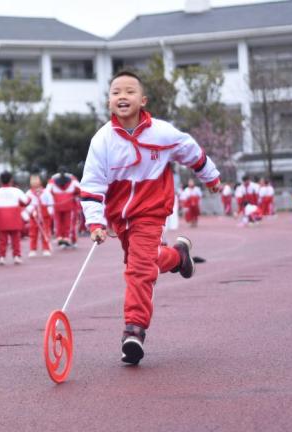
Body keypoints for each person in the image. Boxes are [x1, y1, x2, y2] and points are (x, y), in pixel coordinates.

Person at [80, 70, 221, 365]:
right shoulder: (102, 141)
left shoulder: (161, 132)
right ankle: (179, 256)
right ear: (109, 102)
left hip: (152, 211)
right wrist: (95, 223)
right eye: (116, 92)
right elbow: (92, 185)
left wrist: (210, 177)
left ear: (142, 100)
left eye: (129, 91)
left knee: (138, 271)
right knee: (142, 262)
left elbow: (190, 150)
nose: (122, 96)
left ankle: (134, 331)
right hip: (120, 218)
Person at [0, 171, 29, 265]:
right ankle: (16, 256)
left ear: (0, 180)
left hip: (1, 218)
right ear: (11, 180)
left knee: (2, 240)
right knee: (16, 239)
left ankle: (1, 257)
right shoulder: (17, 191)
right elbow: (26, 201)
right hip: (14, 217)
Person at [47, 168, 80, 247]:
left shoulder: (52, 181)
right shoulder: (73, 180)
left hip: (57, 205)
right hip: (70, 205)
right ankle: (69, 238)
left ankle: (60, 237)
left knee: (58, 223)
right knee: (70, 223)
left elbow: (47, 193)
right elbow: (79, 191)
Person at [26, 174, 54, 257]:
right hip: (34, 216)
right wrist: (31, 210)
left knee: (45, 232)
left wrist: (49, 212)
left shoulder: (46, 192)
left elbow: (50, 203)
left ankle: (46, 248)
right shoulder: (29, 193)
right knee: (33, 233)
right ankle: (32, 249)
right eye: (33, 180)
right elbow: (26, 204)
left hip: (45, 215)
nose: (35, 182)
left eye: (36, 180)